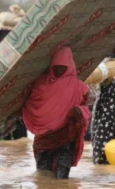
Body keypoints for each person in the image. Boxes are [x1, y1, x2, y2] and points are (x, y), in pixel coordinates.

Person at [21, 47, 90, 179]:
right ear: (51, 65)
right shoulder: (41, 84)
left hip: (66, 138)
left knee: (62, 179)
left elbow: (86, 105)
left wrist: (79, 111)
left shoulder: (78, 86)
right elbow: (30, 103)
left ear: (70, 66)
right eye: (56, 66)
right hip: (44, 139)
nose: (59, 70)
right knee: (43, 177)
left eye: (63, 67)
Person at [0, 27, 28, 140]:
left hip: (18, 120)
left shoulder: (21, 72)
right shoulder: (1, 72)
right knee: (6, 149)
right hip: (4, 122)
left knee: (18, 147)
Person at [92, 44, 115, 165]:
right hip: (105, 114)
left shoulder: (110, 67)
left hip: (110, 114)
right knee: (103, 151)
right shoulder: (104, 66)